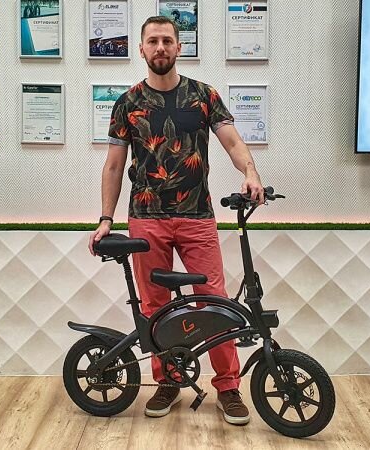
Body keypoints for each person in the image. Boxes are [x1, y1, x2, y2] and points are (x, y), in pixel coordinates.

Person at [88, 16, 264, 426]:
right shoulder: (127, 103)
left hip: (197, 216)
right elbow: (114, 166)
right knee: (155, 306)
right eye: (153, 41)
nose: (160, 47)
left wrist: (251, 172)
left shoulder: (204, 95)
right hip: (145, 219)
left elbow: (233, 141)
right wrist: (105, 219)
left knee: (214, 303)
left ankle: (228, 387)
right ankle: (167, 381)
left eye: (167, 40)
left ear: (179, 47)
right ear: (142, 49)